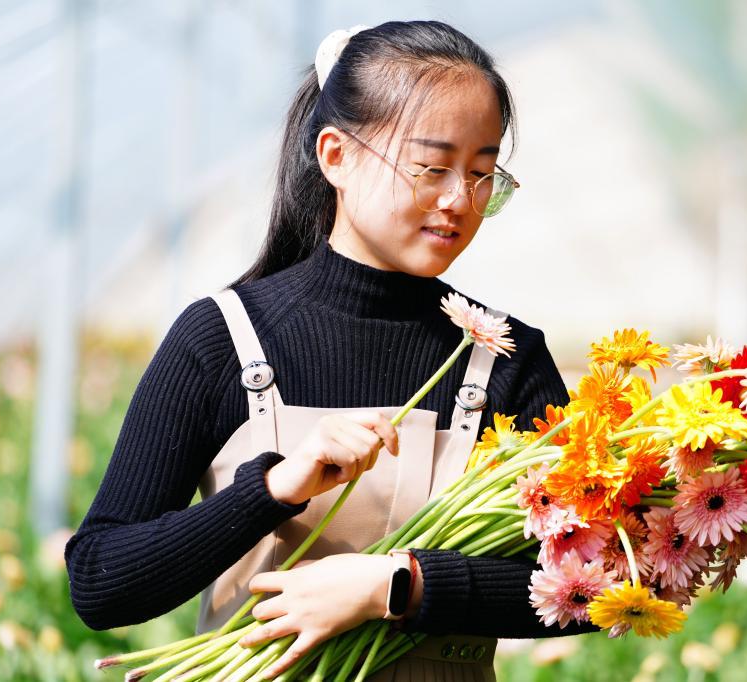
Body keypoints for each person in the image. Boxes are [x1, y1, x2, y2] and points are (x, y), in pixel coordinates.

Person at [65, 19, 598, 680]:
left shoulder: (506, 357)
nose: (458, 199)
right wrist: (271, 488)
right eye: (431, 167)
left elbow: (583, 587)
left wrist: (398, 586)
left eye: (482, 172)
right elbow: (100, 581)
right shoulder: (219, 340)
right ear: (335, 156)